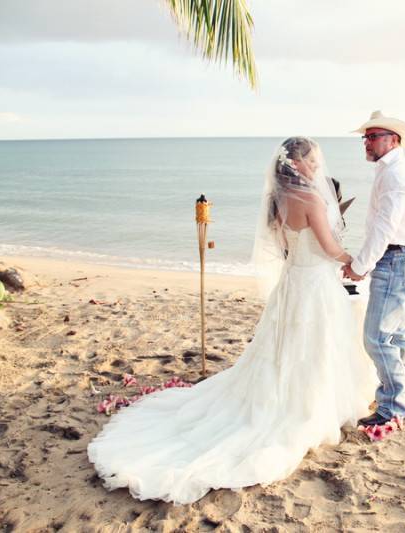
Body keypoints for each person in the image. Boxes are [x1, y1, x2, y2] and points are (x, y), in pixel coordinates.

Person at [88, 137, 377, 505]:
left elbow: (288, 247)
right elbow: (329, 248)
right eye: (313, 161)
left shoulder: (279, 201)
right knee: (316, 346)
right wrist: (358, 262)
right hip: (315, 285)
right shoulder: (312, 200)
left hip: (293, 283)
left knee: (286, 346)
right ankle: (308, 406)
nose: (318, 167)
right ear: (298, 164)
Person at [342, 111, 405, 427]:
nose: (367, 142)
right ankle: (401, 398)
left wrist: (360, 266)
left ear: (394, 139)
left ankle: (391, 408)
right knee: (397, 335)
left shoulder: (396, 174)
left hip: (396, 259)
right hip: (398, 258)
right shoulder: (390, 171)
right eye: (366, 137)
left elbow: (384, 228)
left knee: (376, 337)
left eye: (373, 136)